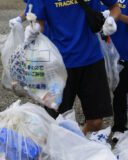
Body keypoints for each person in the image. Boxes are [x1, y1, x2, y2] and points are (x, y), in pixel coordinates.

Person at [25, 0, 121, 135]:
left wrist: (111, 20)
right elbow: (38, 22)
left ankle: (79, 142)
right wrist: (33, 30)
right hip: (58, 64)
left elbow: (115, 7)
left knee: (96, 122)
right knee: (55, 122)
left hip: (91, 59)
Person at [100, 1, 128, 142]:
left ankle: (120, 127)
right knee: (116, 92)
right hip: (105, 54)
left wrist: (115, 16)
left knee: (121, 92)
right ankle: (117, 127)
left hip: (125, 51)